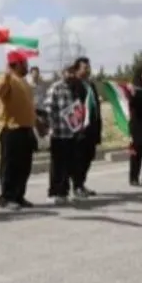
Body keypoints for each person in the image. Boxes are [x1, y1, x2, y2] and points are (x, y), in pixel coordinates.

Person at [0, 50, 40, 210]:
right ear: (18, 64)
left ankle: (19, 195)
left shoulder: (23, 81)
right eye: (25, 63)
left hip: (26, 129)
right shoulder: (6, 78)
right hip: (11, 129)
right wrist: (6, 74)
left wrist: (37, 121)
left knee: (24, 166)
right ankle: (6, 198)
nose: (27, 65)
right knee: (10, 166)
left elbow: (27, 105)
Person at [42, 62, 81, 205]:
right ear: (62, 73)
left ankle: (64, 191)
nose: (71, 75)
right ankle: (54, 192)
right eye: (68, 72)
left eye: (72, 72)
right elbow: (48, 109)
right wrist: (50, 128)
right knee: (57, 165)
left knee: (69, 165)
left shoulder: (74, 88)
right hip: (58, 133)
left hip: (71, 133)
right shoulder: (56, 88)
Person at [70, 58, 102, 198]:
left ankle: (81, 184)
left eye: (88, 67)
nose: (87, 70)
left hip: (92, 128)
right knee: (79, 158)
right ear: (77, 69)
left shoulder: (91, 85)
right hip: (80, 128)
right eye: (84, 67)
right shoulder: (73, 84)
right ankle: (76, 186)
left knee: (89, 156)